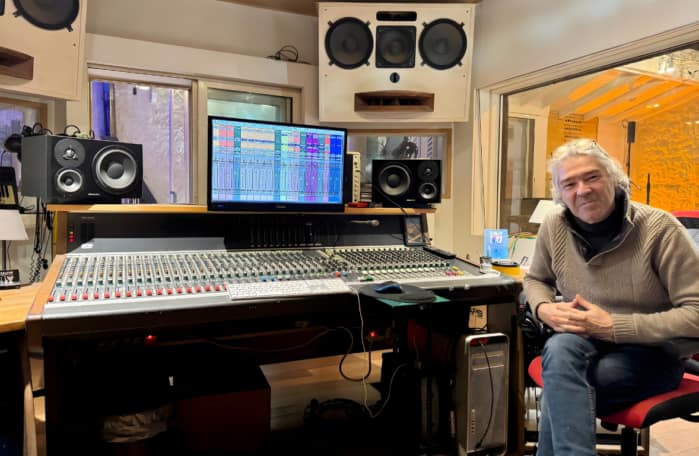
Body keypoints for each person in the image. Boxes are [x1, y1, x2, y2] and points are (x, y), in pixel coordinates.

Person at [522, 138, 699, 456]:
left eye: (592, 177)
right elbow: (536, 279)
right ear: (559, 193)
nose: (583, 190)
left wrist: (612, 326)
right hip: (585, 341)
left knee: (564, 386)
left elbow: (696, 313)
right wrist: (544, 307)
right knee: (559, 348)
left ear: (615, 178)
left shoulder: (660, 229)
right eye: (570, 184)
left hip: (653, 351)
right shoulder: (554, 225)